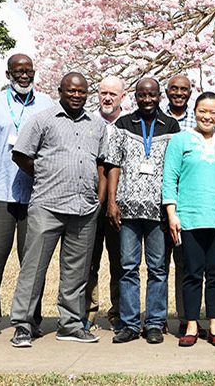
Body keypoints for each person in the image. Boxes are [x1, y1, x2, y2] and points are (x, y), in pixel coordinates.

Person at [9, 72, 107, 347]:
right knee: (33, 268)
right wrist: (42, 173)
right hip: (47, 206)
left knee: (76, 272)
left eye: (82, 91)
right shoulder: (42, 119)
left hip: (84, 208)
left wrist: (98, 200)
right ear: (60, 91)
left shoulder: (97, 126)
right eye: (71, 91)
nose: (76, 95)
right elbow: (20, 154)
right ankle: (23, 325)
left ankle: (71, 324)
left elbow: (101, 163)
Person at [0, 53, 54, 339]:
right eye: (18, 71)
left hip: (36, 197)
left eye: (29, 70)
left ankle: (29, 320)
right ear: (8, 75)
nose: (24, 75)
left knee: (33, 262)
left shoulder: (46, 106)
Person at [106, 78, 180, 344]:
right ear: (134, 97)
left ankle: (155, 324)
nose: (147, 99)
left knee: (158, 268)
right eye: (141, 95)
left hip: (158, 211)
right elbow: (113, 164)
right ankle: (128, 323)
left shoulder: (171, 126)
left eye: (152, 95)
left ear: (160, 96)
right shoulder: (123, 125)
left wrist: (172, 207)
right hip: (127, 210)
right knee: (127, 267)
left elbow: (174, 168)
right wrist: (112, 202)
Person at [163, 92, 215, 347]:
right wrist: (172, 213)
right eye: (203, 111)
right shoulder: (180, 140)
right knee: (192, 273)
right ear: (195, 111)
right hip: (189, 218)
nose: (208, 116)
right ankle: (191, 324)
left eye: (213, 112)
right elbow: (169, 178)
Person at [84, 75, 127, 331]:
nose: (107, 98)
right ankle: (87, 313)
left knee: (120, 262)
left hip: (120, 204)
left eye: (113, 93)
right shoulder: (88, 122)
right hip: (89, 203)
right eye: (103, 93)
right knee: (89, 260)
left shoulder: (130, 124)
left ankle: (119, 312)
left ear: (122, 96)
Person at [162, 74, 194, 333]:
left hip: (188, 202)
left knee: (185, 264)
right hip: (159, 201)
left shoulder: (200, 119)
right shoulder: (157, 118)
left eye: (184, 89)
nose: (179, 93)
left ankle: (186, 318)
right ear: (167, 91)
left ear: (190, 92)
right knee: (159, 264)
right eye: (174, 89)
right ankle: (157, 319)